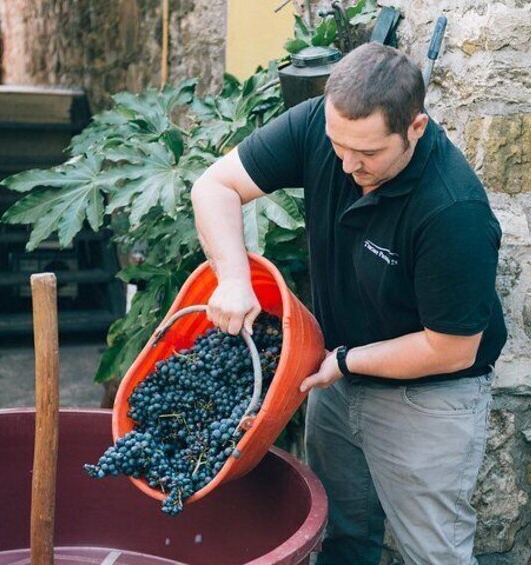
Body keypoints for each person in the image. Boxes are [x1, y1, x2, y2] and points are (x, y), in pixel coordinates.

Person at [191, 42, 507, 564]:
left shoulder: (454, 210)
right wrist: (232, 278)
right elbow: (215, 186)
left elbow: (452, 348)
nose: (346, 163)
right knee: (340, 541)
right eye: (339, 145)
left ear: (416, 128)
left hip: (426, 398)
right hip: (335, 381)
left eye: (368, 153)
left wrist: (343, 361)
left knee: (432, 553)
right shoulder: (323, 125)